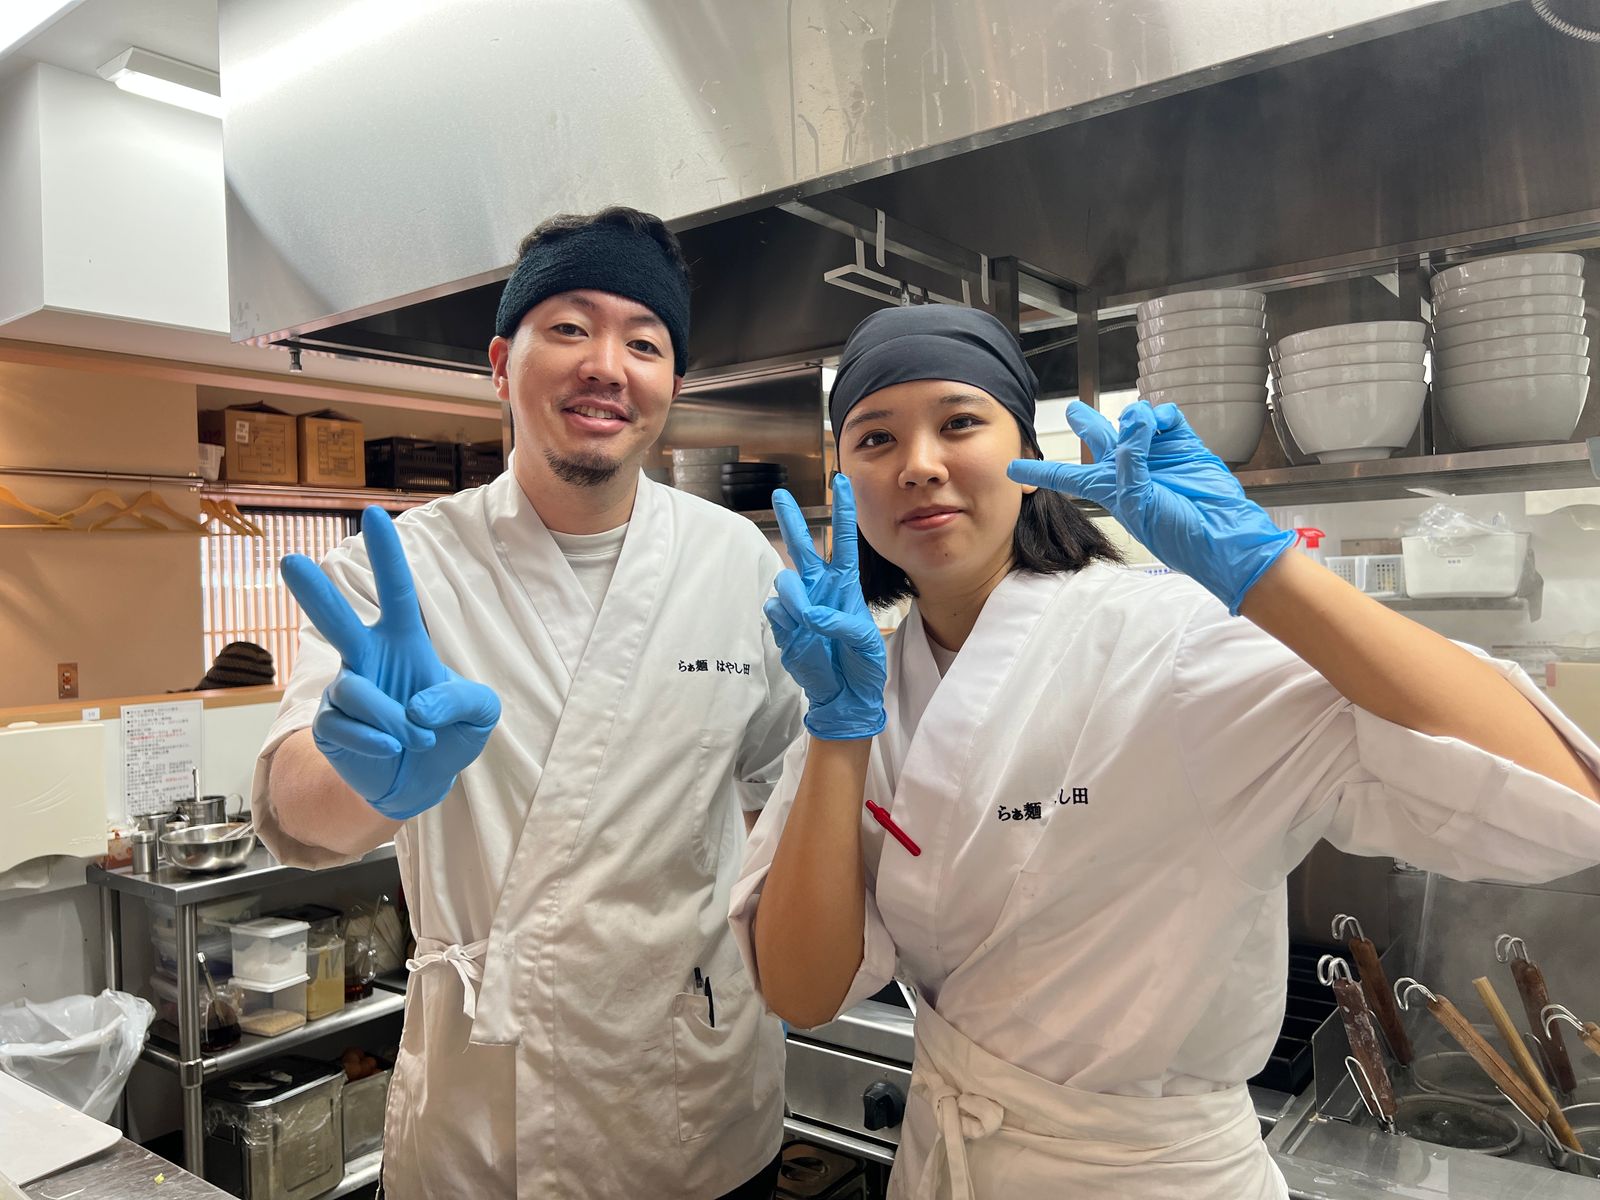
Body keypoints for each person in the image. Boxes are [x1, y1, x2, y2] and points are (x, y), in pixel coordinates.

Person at [731, 304, 1600, 1199]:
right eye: (875, 439)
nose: (919, 465)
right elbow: (802, 992)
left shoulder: (1170, 643)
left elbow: (1566, 804)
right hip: (949, 1158)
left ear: (1028, 460)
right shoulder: (861, 674)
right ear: (846, 479)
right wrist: (838, 735)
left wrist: (1270, 573)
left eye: (959, 422)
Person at [252, 206, 801, 1199]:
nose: (606, 364)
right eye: (569, 328)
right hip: (483, 1123)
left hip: (692, 1096)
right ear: (502, 363)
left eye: (644, 341)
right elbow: (296, 814)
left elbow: (769, 802)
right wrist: (367, 780)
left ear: (671, 384)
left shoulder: (735, 564)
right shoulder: (405, 567)